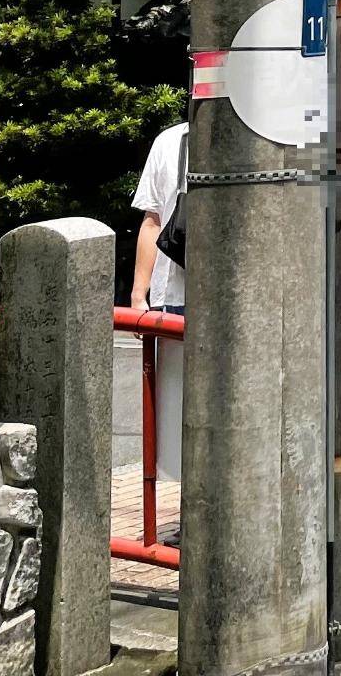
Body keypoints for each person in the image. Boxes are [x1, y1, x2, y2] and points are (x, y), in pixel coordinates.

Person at [129, 120, 188, 510]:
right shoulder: (169, 141)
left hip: (247, 299)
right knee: (177, 412)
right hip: (175, 293)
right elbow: (152, 220)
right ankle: (194, 510)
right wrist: (138, 293)